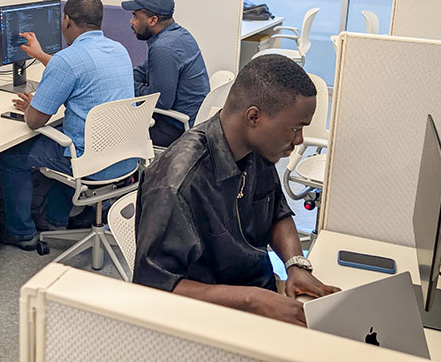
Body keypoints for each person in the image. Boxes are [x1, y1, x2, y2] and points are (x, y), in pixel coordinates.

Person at [132, 54, 340, 327]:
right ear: (254, 116)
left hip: (255, 295)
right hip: (207, 320)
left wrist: (295, 264)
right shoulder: (178, 184)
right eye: (294, 129)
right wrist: (252, 300)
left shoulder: (257, 149)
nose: (299, 141)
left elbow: (277, 212)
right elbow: (153, 288)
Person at [0, 0, 136, 250]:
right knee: (66, 138)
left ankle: (22, 233)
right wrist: (41, 56)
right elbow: (80, 71)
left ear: (67, 21)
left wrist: (31, 107)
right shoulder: (119, 50)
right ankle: (54, 219)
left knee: (13, 157)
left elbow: (35, 122)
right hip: (124, 157)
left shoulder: (67, 60)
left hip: (90, 162)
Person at [122, 0, 209, 147]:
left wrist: (128, 86)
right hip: (193, 120)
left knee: (116, 130)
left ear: (153, 20)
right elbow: (144, 70)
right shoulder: (179, 35)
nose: (131, 21)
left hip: (177, 129)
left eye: (135, 16)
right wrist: (123, 77)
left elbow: (161, 101)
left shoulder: (163, 48)